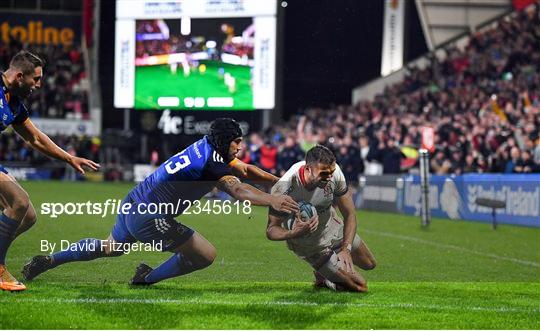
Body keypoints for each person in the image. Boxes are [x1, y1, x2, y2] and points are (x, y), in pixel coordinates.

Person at [23, 118, 298, 286]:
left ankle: (51, 259)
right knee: (206, 255)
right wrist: (273, 198)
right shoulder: (213, 164)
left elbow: (247, 171)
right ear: (225, 142)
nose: (239, 147)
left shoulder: (205, 146)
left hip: (134, 201)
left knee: (110, 248)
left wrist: (280, 182)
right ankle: (146, 277)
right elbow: (240, 191)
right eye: (237, 142)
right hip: (151, 216)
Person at [0, 50, 100, 291]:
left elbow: (34, 137)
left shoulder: (13, 101)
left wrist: (69, 158)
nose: (39, 84)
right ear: (20, 76)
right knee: (19, 202)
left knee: (29, 216)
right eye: (36, 79)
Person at [266, 145, 376, 292]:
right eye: (324, 173)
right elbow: (271, 229)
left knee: (369, 264)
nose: (329, 177)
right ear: (308, 169)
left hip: (332, 227)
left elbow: (350, 214)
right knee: (360, 286)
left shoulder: (335, 172)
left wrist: (346, 249)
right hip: (308, 243)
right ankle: (325, 277)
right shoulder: (284, 188)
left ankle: (327, 269)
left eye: (331, 172)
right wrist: (293, 233)